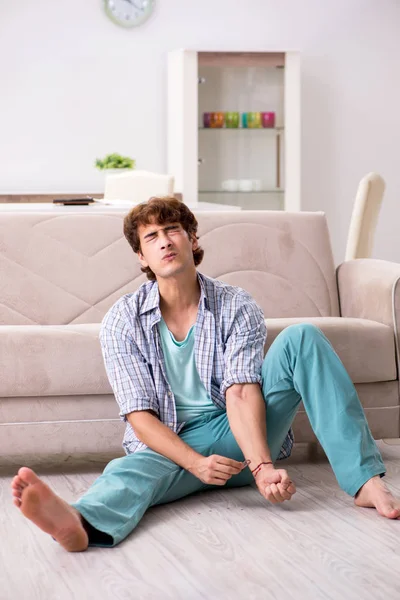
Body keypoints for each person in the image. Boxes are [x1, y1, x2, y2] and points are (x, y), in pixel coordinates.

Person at [11, 196, 400, 553]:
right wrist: (197, 463)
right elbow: (139, 417)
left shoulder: (236, 305)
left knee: (302, 338)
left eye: (172, 230)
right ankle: (80, 522)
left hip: (243, 439)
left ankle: (366, 482)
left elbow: (242, 392)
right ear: (142, 258)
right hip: (174, 447)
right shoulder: (122, 320)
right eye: (151, 237)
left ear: (192, 238)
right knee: (132, 469)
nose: (164, 241)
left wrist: (263, 470)